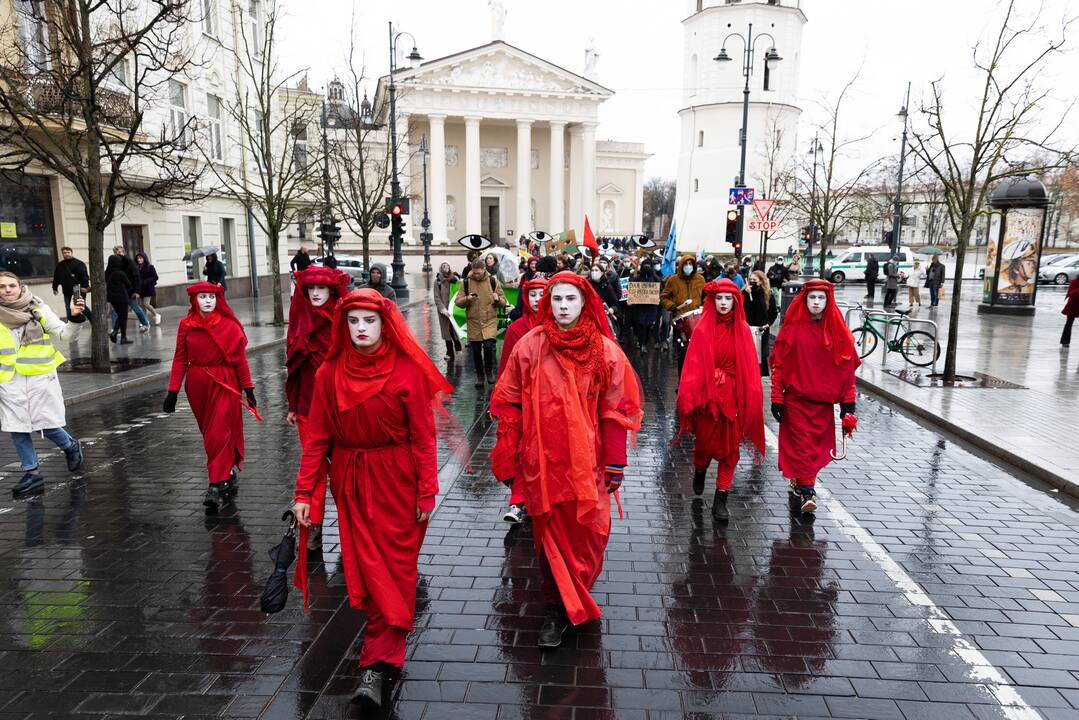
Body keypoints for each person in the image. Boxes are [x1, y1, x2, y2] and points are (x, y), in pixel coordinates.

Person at [292, 288, 452, 710]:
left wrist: (426, 489)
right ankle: (382, 657)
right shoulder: (328, 374)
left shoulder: (407, 371)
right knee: (366, 568)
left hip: (398, 482)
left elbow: (423, 436)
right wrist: (305, 492)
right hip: (351, 483)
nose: (361, 329)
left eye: (369, 321)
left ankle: (377, 663)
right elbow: (317, 440)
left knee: (395, 571)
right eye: (353, 321)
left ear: (385, 324)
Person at [490, 272, 643, 649]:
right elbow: (507, 397)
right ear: (547, 303)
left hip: (587, 462)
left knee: (590, 535)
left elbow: (617, 406)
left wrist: (615, 461)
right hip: (542, 462)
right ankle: (556, 609)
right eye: (556, 299)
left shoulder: (604, 351)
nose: (562, 307)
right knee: (551, 541)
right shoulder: (530, 345)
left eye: (570, 300)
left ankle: (578, 589)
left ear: (584, 302)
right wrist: (513, 444)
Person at [163, 282, 256, 512]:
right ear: (194, 300)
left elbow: (240, 360)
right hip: (197, 385)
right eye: (203, 297)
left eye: (212, 297)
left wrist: (249, 388)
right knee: (210, 434)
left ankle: (215, 484)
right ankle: (226, 470)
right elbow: (180, 359)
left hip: (225, 382)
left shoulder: (230, 326)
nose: (208, 301)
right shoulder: (186, 325)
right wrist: (172, 391)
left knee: (218, 432)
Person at [770, 280, 859, 514]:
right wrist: (776, 398)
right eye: (812, 298)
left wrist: (848, 406)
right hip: (796, 403)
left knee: (815, 450)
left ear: (828, 300)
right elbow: (778, 367)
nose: (817, 303)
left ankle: (802, 481)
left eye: (821, 298)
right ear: (805, 300)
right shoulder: (792, 331)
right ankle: (808, 490)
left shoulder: (839, 334)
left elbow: (846, 372)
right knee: (802, 447)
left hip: (823, 407)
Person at [678, 279, 764, 520]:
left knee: (730, 449)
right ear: (713, 301)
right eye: (720, 298)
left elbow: (749, 369)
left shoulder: (744, 330)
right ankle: (700, 468)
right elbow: (692, 366)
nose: (724, 303)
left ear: (736, 302)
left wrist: (746, 396)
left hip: (732, 400)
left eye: (728, 299)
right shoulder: (703, 329)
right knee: (705, 444)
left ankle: (721, 498)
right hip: (708, 399)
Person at [0, 272, 85, 495]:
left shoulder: (37, 309)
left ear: (20, 287)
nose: (7, 290)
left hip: (40, 378)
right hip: (9, 381)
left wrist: (75, 317)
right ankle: (32, 474)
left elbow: (66, 335)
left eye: (11, 286)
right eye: (1, 287)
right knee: (16, 427)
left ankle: (70, 445)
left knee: (44, 423)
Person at [496, 276, 548, 525]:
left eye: (542, 294)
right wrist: (498, 401)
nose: (538, 300)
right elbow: (505, 366)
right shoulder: (516, 329)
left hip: (551, 403)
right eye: (533, 295)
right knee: (520, 452)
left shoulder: (557, 325)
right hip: (521, 402)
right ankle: (517, 501)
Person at [455, 259, 506, 388]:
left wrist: (497, 299)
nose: (476, 275)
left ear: (484, 269)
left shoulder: (493, 281)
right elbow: (458, 302)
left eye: (478, 273)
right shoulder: (466, 282)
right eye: (474, 273)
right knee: (476, 351)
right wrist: (467, 299)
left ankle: (489, 371)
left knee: (489, 346)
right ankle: (480, 375)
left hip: (489, 319)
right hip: (474, 321)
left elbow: (504, 302)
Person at [743, 270, 779, 375]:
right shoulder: (745, 293)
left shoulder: (767, 295)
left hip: (762, 330)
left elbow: (773, 313)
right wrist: (746, 294)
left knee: (761, 356)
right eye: (750, 280)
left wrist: (768, 323)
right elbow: (742, 310)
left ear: (761, 281)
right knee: (747, 355)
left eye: (755, 280)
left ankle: (761, 378)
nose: (752, 282)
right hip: (748, 329)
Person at [112, 246, 149, 331]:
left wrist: (136, 291)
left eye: (120, 252)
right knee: (115, 310)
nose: (118, 254)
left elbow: (137, 278)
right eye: (116, 252)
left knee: (136, 308)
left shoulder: (130, 263)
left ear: (124, 252)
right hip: (119, 292)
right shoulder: (114, 264)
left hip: (130, 291)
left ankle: (145, 323)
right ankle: (115, 329)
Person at [628, 259, 662, 352]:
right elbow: (631, 291)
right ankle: (641, 343)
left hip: (651, 307)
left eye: (649, 265)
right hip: (639, 307)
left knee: (648, 325)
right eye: (645, 265)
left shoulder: (656, 279)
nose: (647, 267)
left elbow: (660, 291)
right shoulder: (636, 278)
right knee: (640, 325)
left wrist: (658, 299)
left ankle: (645, 343)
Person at [660, 255, 705, 322]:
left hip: (697, 318)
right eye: (686, 264)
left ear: (694, 265)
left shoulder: (700, 279)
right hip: (679, 318)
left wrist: (704, 308)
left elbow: (706, 296)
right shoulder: (673, 280)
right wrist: (671, 306)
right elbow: (663, 297)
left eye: (690, 264)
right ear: (681, 265)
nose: (688, 266)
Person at [51, 247, 90, 321]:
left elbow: (85, 277)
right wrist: (54, 288)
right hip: (66, 289)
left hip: (77, 289)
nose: (66, 254)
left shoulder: (79, 264)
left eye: (68, 252)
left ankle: (92, 319)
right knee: (68, 307)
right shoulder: (60, 265)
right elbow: (56, 277)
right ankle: (71, 323)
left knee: (80, 307)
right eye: (64, 253)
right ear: (63, 254)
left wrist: (85, 287)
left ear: (72, 253)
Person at [434, 262, 463, 361]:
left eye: (447, 266)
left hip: (453, 309)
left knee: (453, 329)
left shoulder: (454, 280)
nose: (445, 268)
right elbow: (437, 297)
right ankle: (449, 352)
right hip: (443, 310)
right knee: (447, 331)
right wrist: (443, 309)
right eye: (443, 266)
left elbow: (459, 292)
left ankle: (458, 346)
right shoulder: (437, 281)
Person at [105, 255, 135, 345]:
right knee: (123, 317)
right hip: (122, 298)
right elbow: (129, 284)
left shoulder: (106, 273)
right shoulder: (120, 273)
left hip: (112, 298)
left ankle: (115, 332)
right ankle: (123, 337)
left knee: (120, 316)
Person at [135, 252, 161, 326]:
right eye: (138, 258)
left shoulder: (150, 267)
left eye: (140, 258)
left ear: (144, 258)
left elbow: (155, 277)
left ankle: (156, 315)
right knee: (143, 306)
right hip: (140, 289)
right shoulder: (137, 268)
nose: (139, 260)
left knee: (146, 304)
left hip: (148, 288)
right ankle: (144, 321)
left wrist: (146, 281)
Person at [1061, 275, 1079, 347]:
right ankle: (1065, 341)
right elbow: (1070, 293)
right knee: (1069, 323)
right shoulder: (1075, 281)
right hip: (1074, 305)